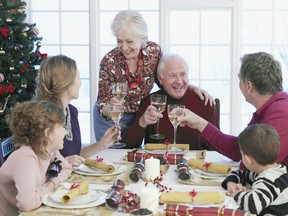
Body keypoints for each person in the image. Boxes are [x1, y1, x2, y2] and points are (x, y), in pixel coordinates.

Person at [94, 10, 214, 142]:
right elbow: (102, 100)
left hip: (138, 115)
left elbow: (164, 79)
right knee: (111, 157)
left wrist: (190, 87)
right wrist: (111, 109)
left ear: (142, 38)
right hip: (111, 119)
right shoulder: (109, 61)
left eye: (129, 41)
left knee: (130, 154)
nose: (124, 47)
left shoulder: (153, 52)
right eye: (119, 41)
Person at [178, 52, 288, 169]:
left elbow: (259, 165)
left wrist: (233, 177)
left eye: (239, 79)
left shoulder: (281, 113)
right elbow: (238, 149)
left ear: (249, 86)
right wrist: (199, 123)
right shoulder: (270, 108)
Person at [36, 55, 120, 169]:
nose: (80, 82)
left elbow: (75, 155)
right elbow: (34, 166)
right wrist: (61, 165)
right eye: (78, 77)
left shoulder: (71, 111)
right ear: (66, 82)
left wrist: (101, 144)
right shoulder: (42, 117)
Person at [122, 54, 219, 149]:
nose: (179, 81)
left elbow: (216, 146)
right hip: (158, 164)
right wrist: (141, 123)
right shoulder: (150, 102)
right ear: (160, 79)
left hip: (195, 163)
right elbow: (128, 145)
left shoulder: (205, 102)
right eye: (172, 75)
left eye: (183, 74)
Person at [0, 100, 73, 215]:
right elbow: (27, 204)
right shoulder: (26, 158)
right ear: (48, 132)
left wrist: (51, 183)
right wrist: (47, 188)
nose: (65, 132)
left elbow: (67, 169)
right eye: (61, 127)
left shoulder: (49, 150)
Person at [222, 124, 288, 216]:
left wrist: (237, 193)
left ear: (248, 159)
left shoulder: (267, 181)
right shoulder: (276, 172)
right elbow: (239, 174)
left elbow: (252, 205)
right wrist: (231, 183)